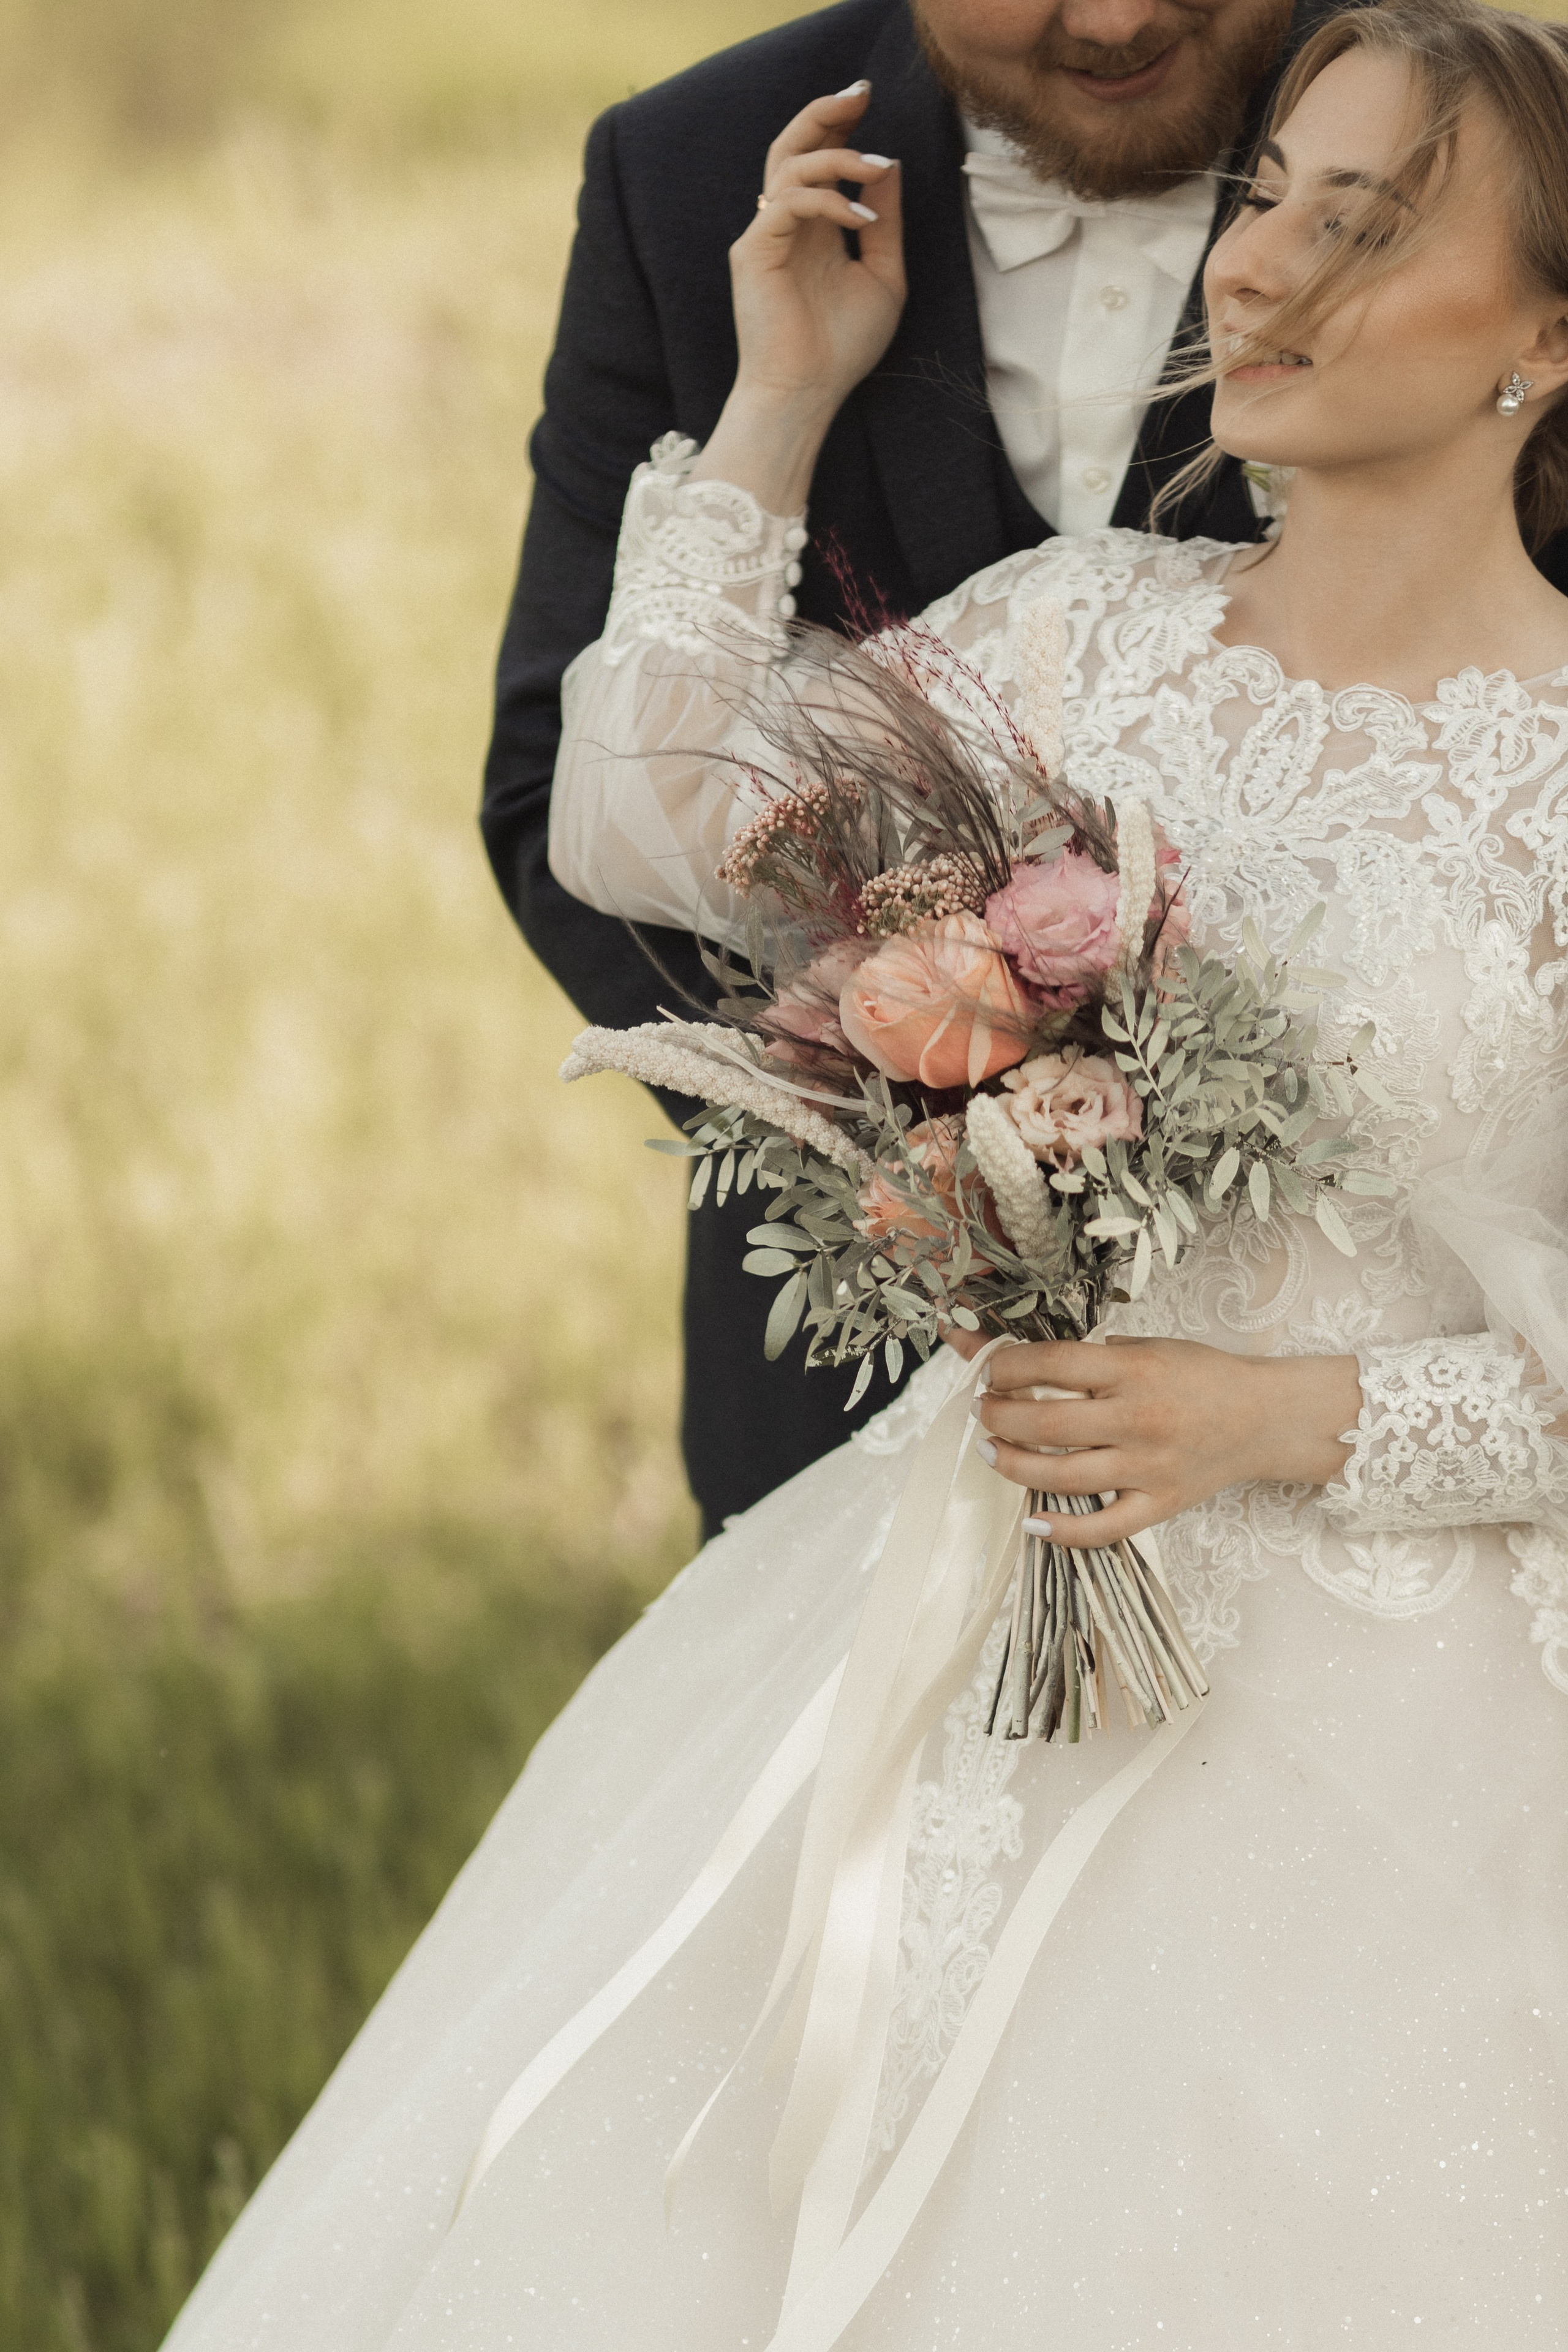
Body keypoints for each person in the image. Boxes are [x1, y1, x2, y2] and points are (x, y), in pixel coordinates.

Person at [164, 2, 1568, 2344]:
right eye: (1270, 200)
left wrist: (1288, 1419)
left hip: (1422, 1723)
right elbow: (640, 824)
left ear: (1551, 332)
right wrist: (780, 398)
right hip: (962, 1639)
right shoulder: (1076, 638)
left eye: (1373, 219)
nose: (1266, 271)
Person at [484, 0, 1385, 1537]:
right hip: (854, 1394)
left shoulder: (1477, 155)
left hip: (1356, 1409)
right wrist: (935, 1190)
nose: (1114, 19)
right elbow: (558, 809)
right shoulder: (687, 166)